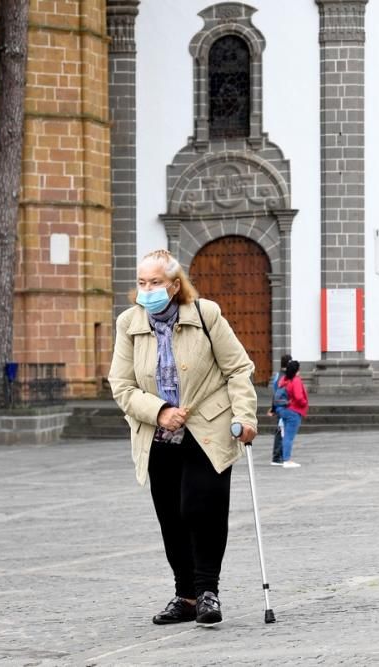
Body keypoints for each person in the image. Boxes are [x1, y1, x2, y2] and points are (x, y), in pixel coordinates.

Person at [109, 249, 257, 627]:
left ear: (175, 286)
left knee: (200, 509)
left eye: (155, 282)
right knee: (171, 518)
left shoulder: (206, 314)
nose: (147, 290)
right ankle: (186, 596)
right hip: (158, 437)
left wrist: (245, 416)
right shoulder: (128, 323)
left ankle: (208, 591)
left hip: (207, 428)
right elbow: (121, 385)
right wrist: (158, 411)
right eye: (142, 282)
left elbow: (238, 368)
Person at [275, 360, 309, 468]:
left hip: (285, 410)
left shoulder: (284, 380)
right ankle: (287, 460)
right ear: (297, 370)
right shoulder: (296, 380)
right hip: (294, 411)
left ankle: (284, 458)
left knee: (286, 436)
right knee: (289, 437)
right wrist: (304, 403)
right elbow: (299, 397)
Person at [266, 353, 292, 465]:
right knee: (280, 431)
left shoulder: (278, 375)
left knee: (281, 430)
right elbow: (277, 394)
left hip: (280, 405)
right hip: (282, 406)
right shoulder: (283, 377)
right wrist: (273, 409)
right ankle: (277, 457)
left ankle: (279, 455)